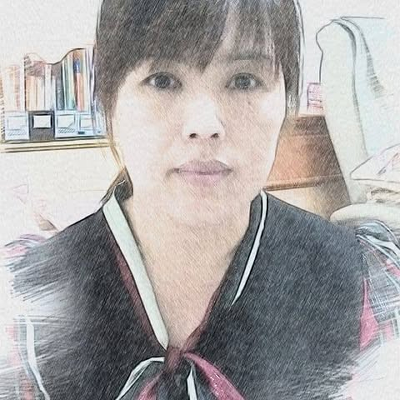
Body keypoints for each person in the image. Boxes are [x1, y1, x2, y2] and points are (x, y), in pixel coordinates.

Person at [1, 0, 399, 399]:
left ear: (285, 101)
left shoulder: (360, 288)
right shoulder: (25, 308)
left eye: (243, 80)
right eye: (163, 80)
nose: (205, 125)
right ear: (110, 100)